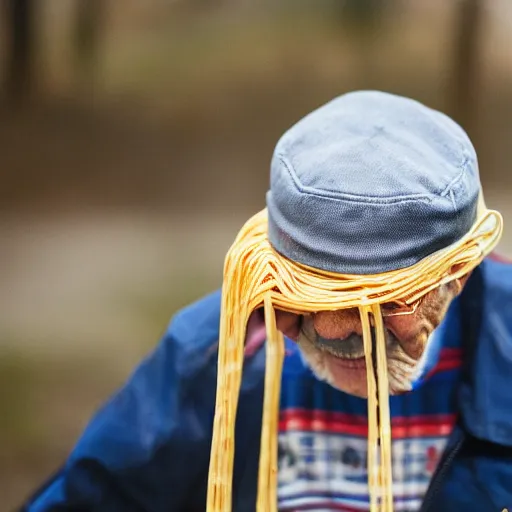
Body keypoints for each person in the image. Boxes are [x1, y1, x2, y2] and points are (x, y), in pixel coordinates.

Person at [22, 91, 512, 512]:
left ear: (459, 272)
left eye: (377, 301)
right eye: (307, 290)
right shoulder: (214, 357)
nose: (336, 331)